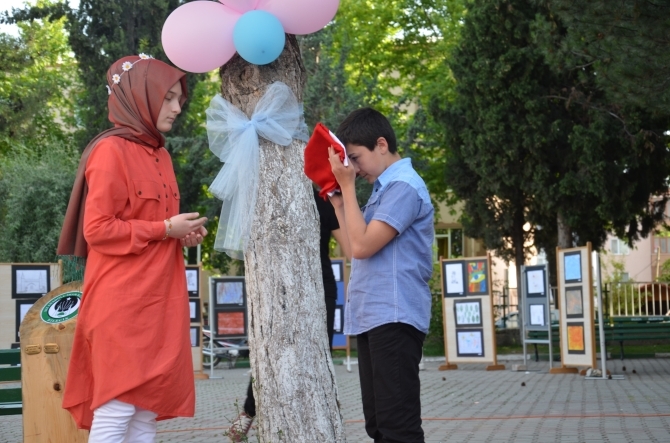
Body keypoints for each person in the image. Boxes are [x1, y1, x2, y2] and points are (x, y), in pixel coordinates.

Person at [57, 55, 208, 443]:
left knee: (144, 412)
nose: (177, 107)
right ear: (141, 96)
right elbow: (98, 230)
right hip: (121, 304)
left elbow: (156, 227)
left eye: (180, 99)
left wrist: (180, 233)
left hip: (158, 301)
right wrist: (162, 229)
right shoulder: (111, 151)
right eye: (169, 97)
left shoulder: (160, 153)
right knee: (118, 406)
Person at [327, 107, 434, 443]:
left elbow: (361, 247)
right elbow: (352, 246)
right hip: (373, 317)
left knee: (396, 427)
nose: (354, 170)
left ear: (382, 144)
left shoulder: (404, 186)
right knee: (378, 425)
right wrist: (341, 205)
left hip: (395, 316)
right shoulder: (382, 189)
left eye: (356, 158)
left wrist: (346, 189)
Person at [226, 188, 350, 442]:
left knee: (318, 354)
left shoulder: (323, 200)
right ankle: (250, 412)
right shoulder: (268, 196)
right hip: (279, 290)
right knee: (273, 353)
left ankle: (318, 413)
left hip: (320, 288)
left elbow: (350, 245)